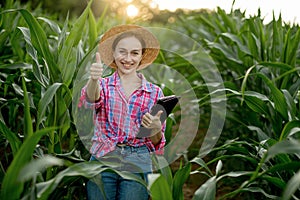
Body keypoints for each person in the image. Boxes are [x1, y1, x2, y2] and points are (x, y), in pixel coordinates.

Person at [79, 24, 166, 200]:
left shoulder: (154, 93)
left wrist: (156, 128)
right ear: (113, 54)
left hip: (138, 159)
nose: (128, 58)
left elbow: (157, 141)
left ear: (141, 56)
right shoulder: (102, 85)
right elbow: (90, 100)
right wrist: (94, 80)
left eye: (135, 53)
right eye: (122, 52)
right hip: (104, 155)